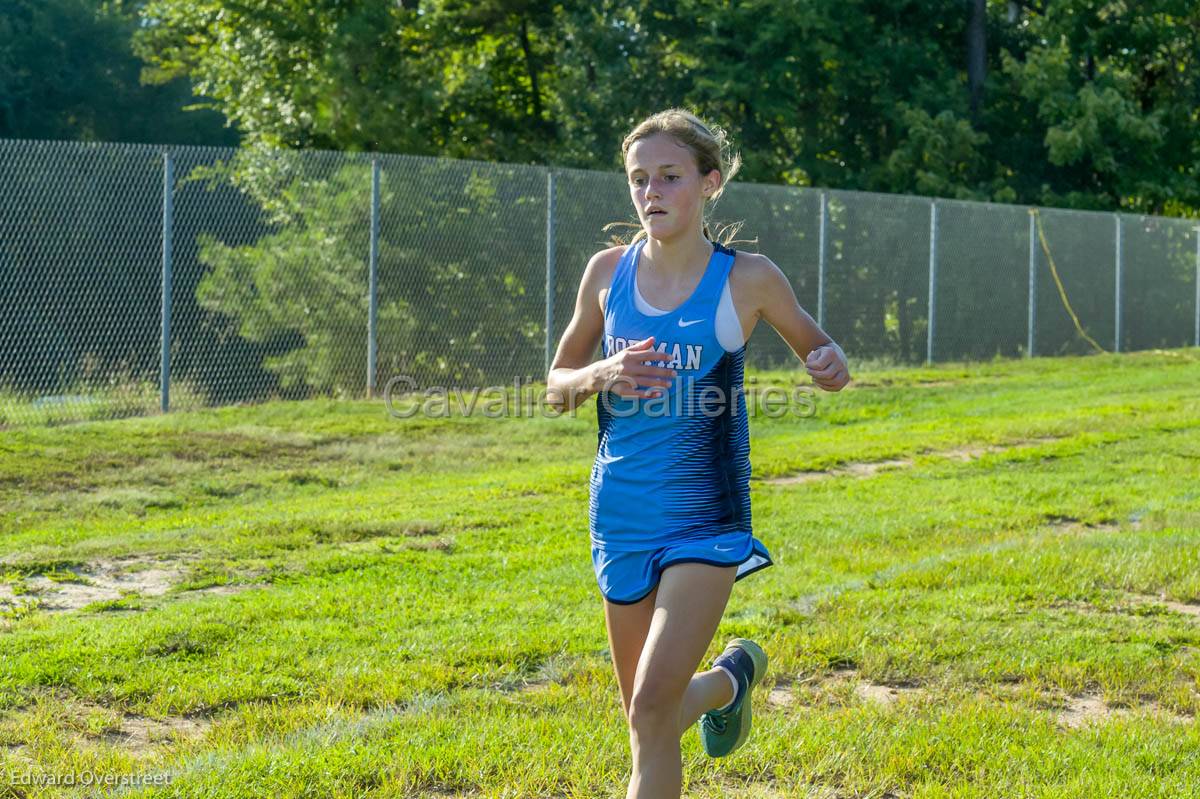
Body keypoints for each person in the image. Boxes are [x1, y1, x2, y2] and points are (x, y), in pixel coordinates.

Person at [545, 107, 850, 799]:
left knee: (651, 707)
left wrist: (830, 364)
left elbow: (820, 349)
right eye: (639, 179)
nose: (652, 191)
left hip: (705, 518)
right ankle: (727, 681)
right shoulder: (605, 273)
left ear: (709, 183)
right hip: (618, 513)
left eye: (670, 176)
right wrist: (601, 373)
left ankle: (718, 682)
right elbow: (555, 387)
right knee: (648, 717)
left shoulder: (749, 278)